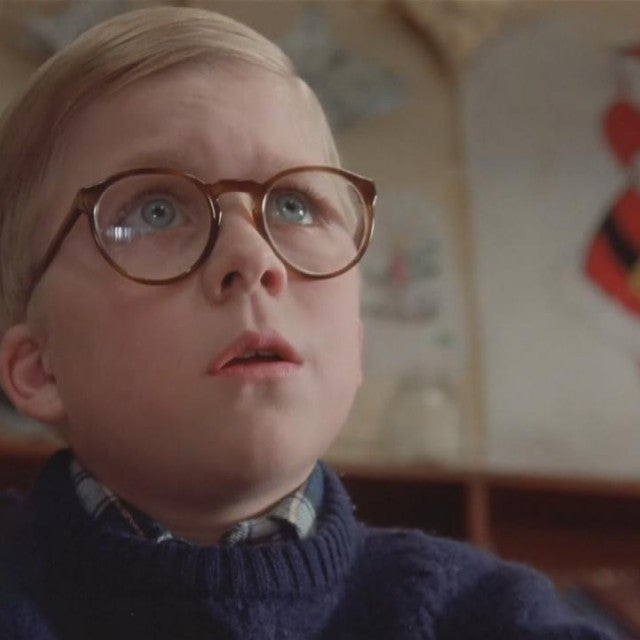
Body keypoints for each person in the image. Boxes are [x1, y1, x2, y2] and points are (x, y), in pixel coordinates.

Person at [0, 6, 614, 639]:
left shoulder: (490, 615)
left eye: (293, 205)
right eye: (155, 211)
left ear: (356, 335)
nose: (254, 257)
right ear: (40, 368)